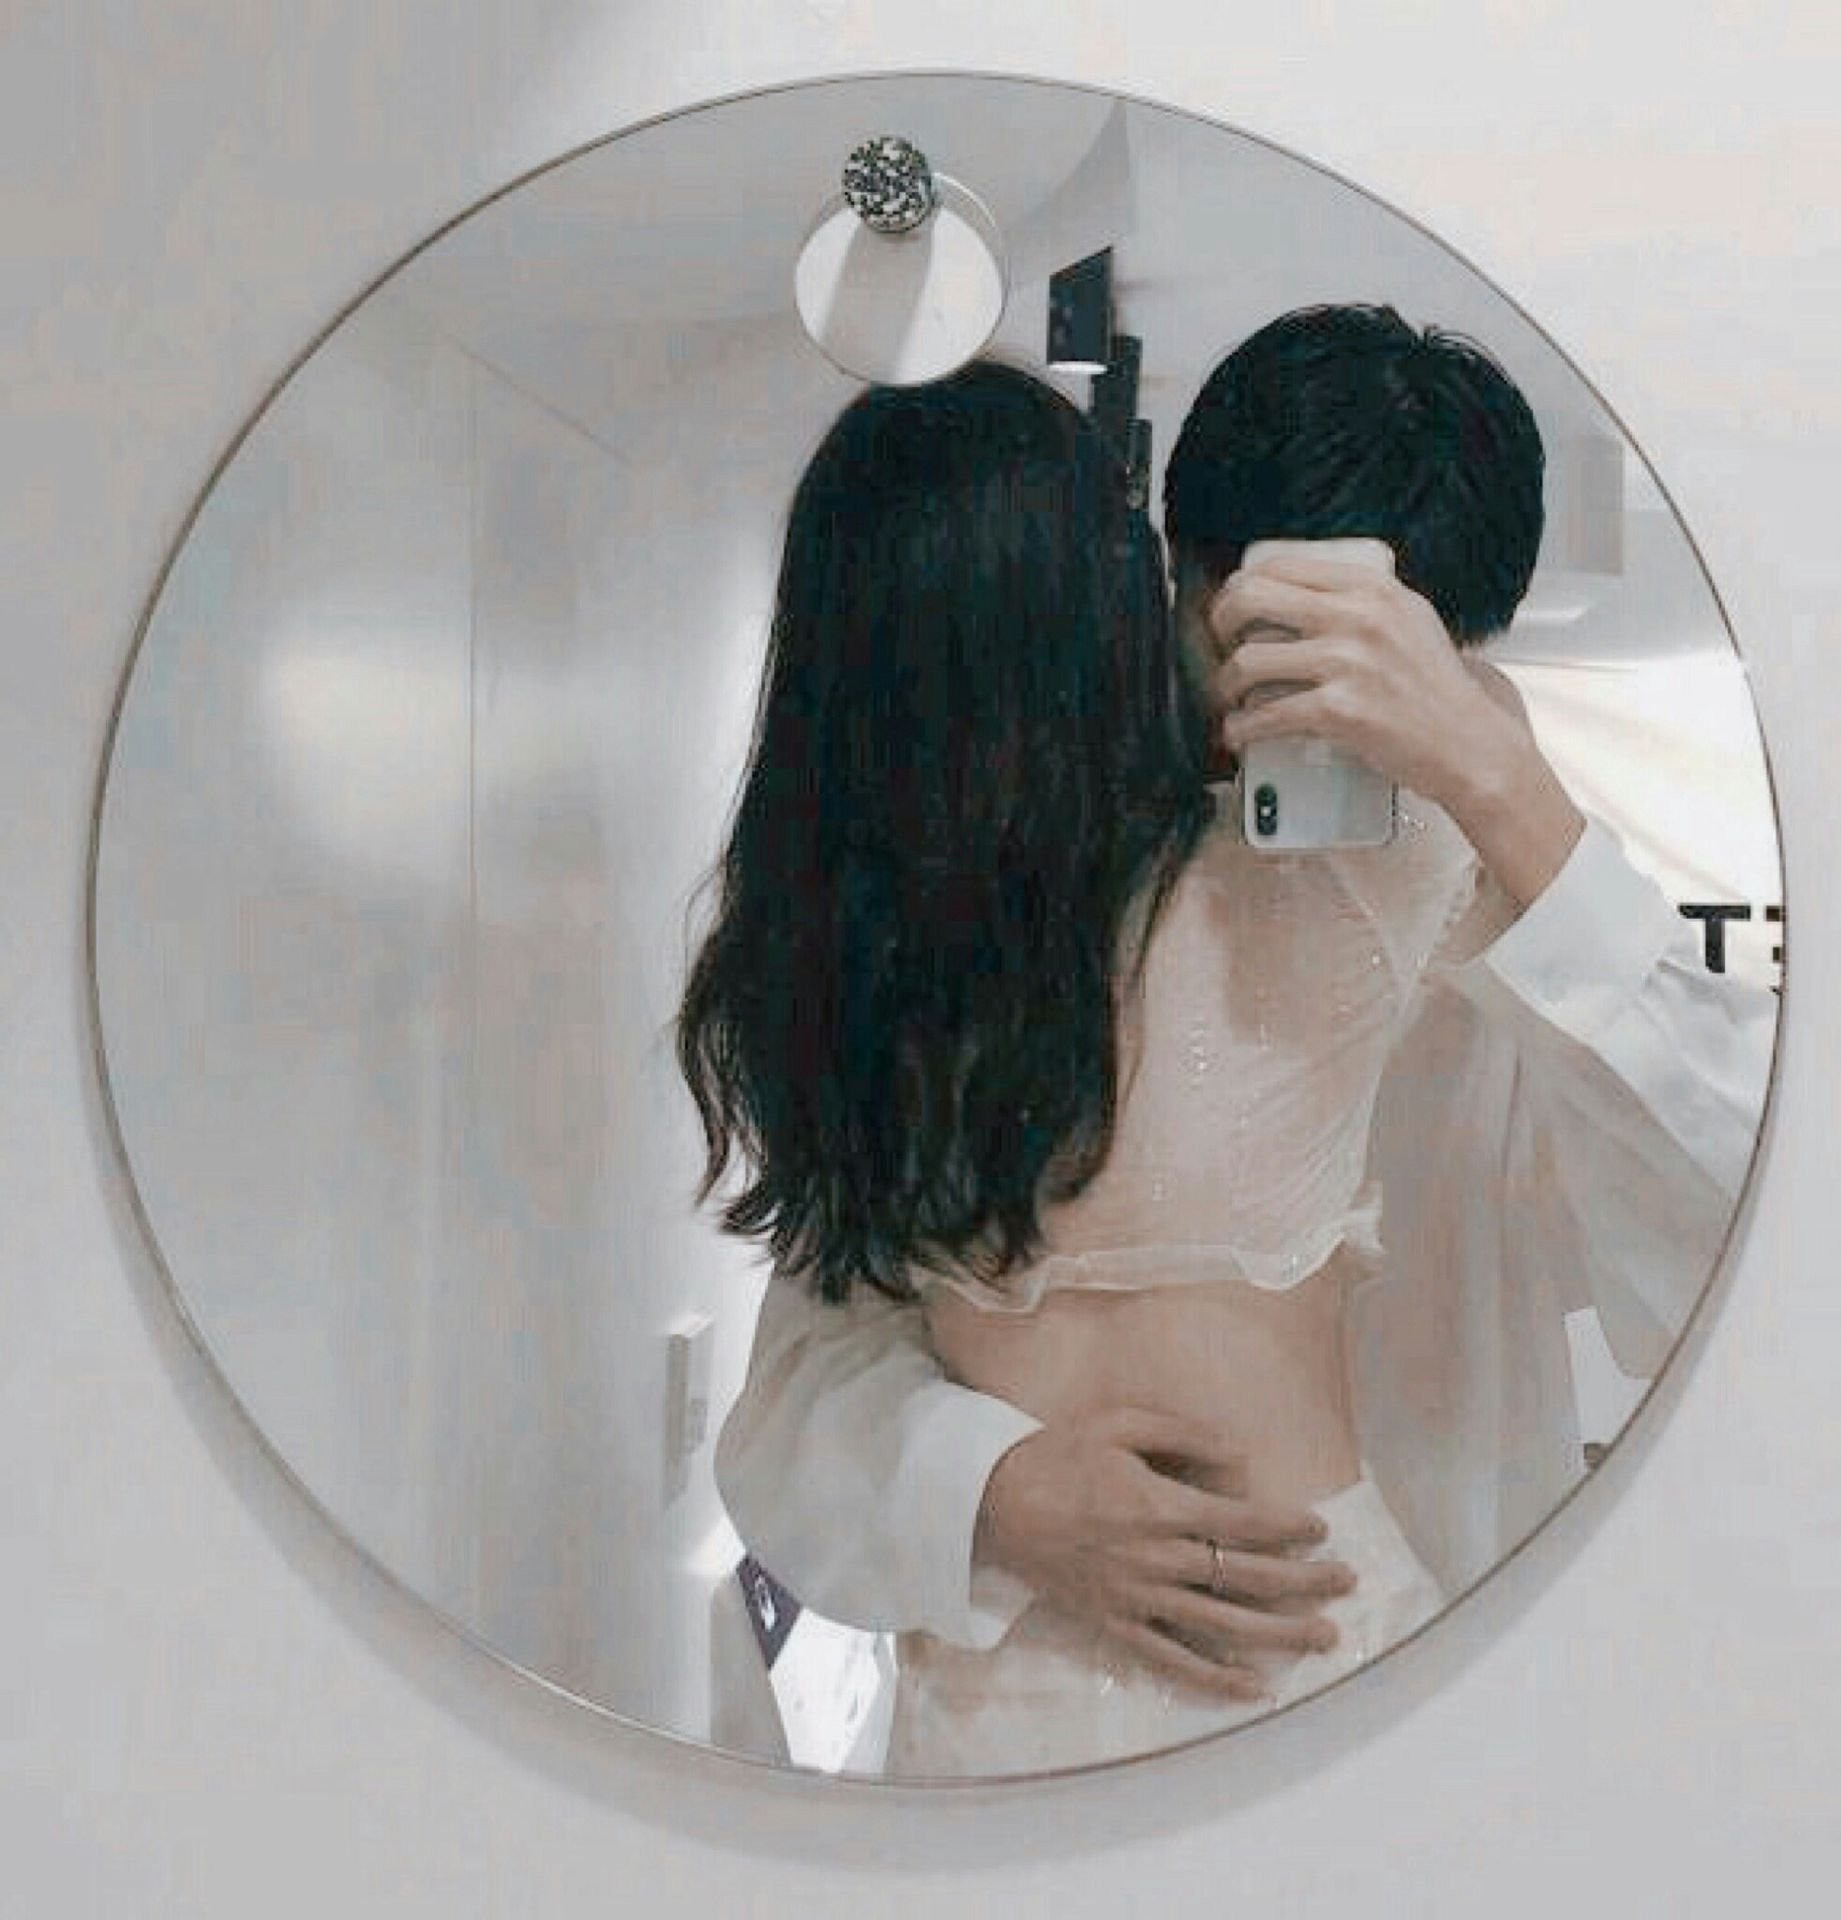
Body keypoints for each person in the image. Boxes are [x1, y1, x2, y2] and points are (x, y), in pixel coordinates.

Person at [699, 309, 1776, 1773]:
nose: (1302, 709)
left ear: (1453, 652)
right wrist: (991, 1493)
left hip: (1412, 1667)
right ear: (1176, 581)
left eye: (1373, 654)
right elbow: (806, 1381)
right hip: (1004, 1722)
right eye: (1263, 631)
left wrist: (1499, 787)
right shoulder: (983, 922)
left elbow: (1760, 1227)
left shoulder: (1488, 861)